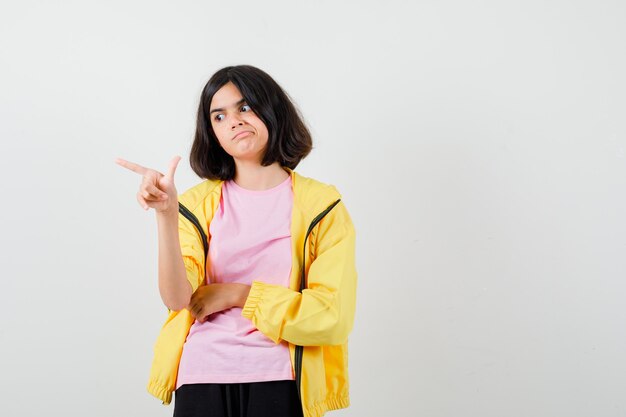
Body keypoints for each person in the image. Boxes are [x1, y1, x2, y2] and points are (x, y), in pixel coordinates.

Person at [116, 65, 357, 417]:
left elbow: (331, 316)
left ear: (272, 111)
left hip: (281, 378)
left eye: (245, 107)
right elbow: (178, 299)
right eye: (219, 115)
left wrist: (240, 294)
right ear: (212, 132)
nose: (234, 121)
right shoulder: (197, 206)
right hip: (201, 376)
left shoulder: (322, 206)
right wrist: (167, 215)